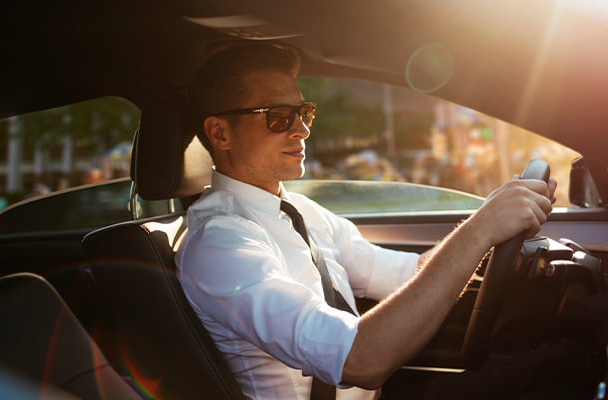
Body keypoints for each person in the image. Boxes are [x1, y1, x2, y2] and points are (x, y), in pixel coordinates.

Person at [176, 42, 558, 399]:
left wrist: (489, 229)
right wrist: (480, 230)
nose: (303, 129)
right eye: (279, 117)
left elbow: (411, 274)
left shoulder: (301, 212)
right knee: (556, 374)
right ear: (220, 133)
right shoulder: (219, 245)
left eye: (304, 113)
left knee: (556, 363)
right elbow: (360, 358)